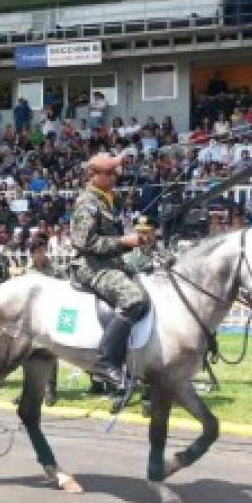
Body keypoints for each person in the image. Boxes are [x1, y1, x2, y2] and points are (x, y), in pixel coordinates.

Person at [69, 153, 149, 391]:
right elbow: (85, 243)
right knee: (133, 299)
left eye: (115, 173)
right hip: (91, 265)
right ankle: (106, 363)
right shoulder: (88, 203)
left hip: (112, 261)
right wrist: (124, 242)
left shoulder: (107, 199)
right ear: (94, 175)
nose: (115, 177)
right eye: (110, 173)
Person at [27, 235, 65, 405]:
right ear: (32, 254)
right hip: (32, 317)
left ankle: (50, 390)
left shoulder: (56, 270)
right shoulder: (26, 272)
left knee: (50, 352)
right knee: (30, 355)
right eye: (38, 252)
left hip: (50, 315)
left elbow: (66, 289)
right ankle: (30, 390)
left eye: (44, 251)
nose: (42, 255)